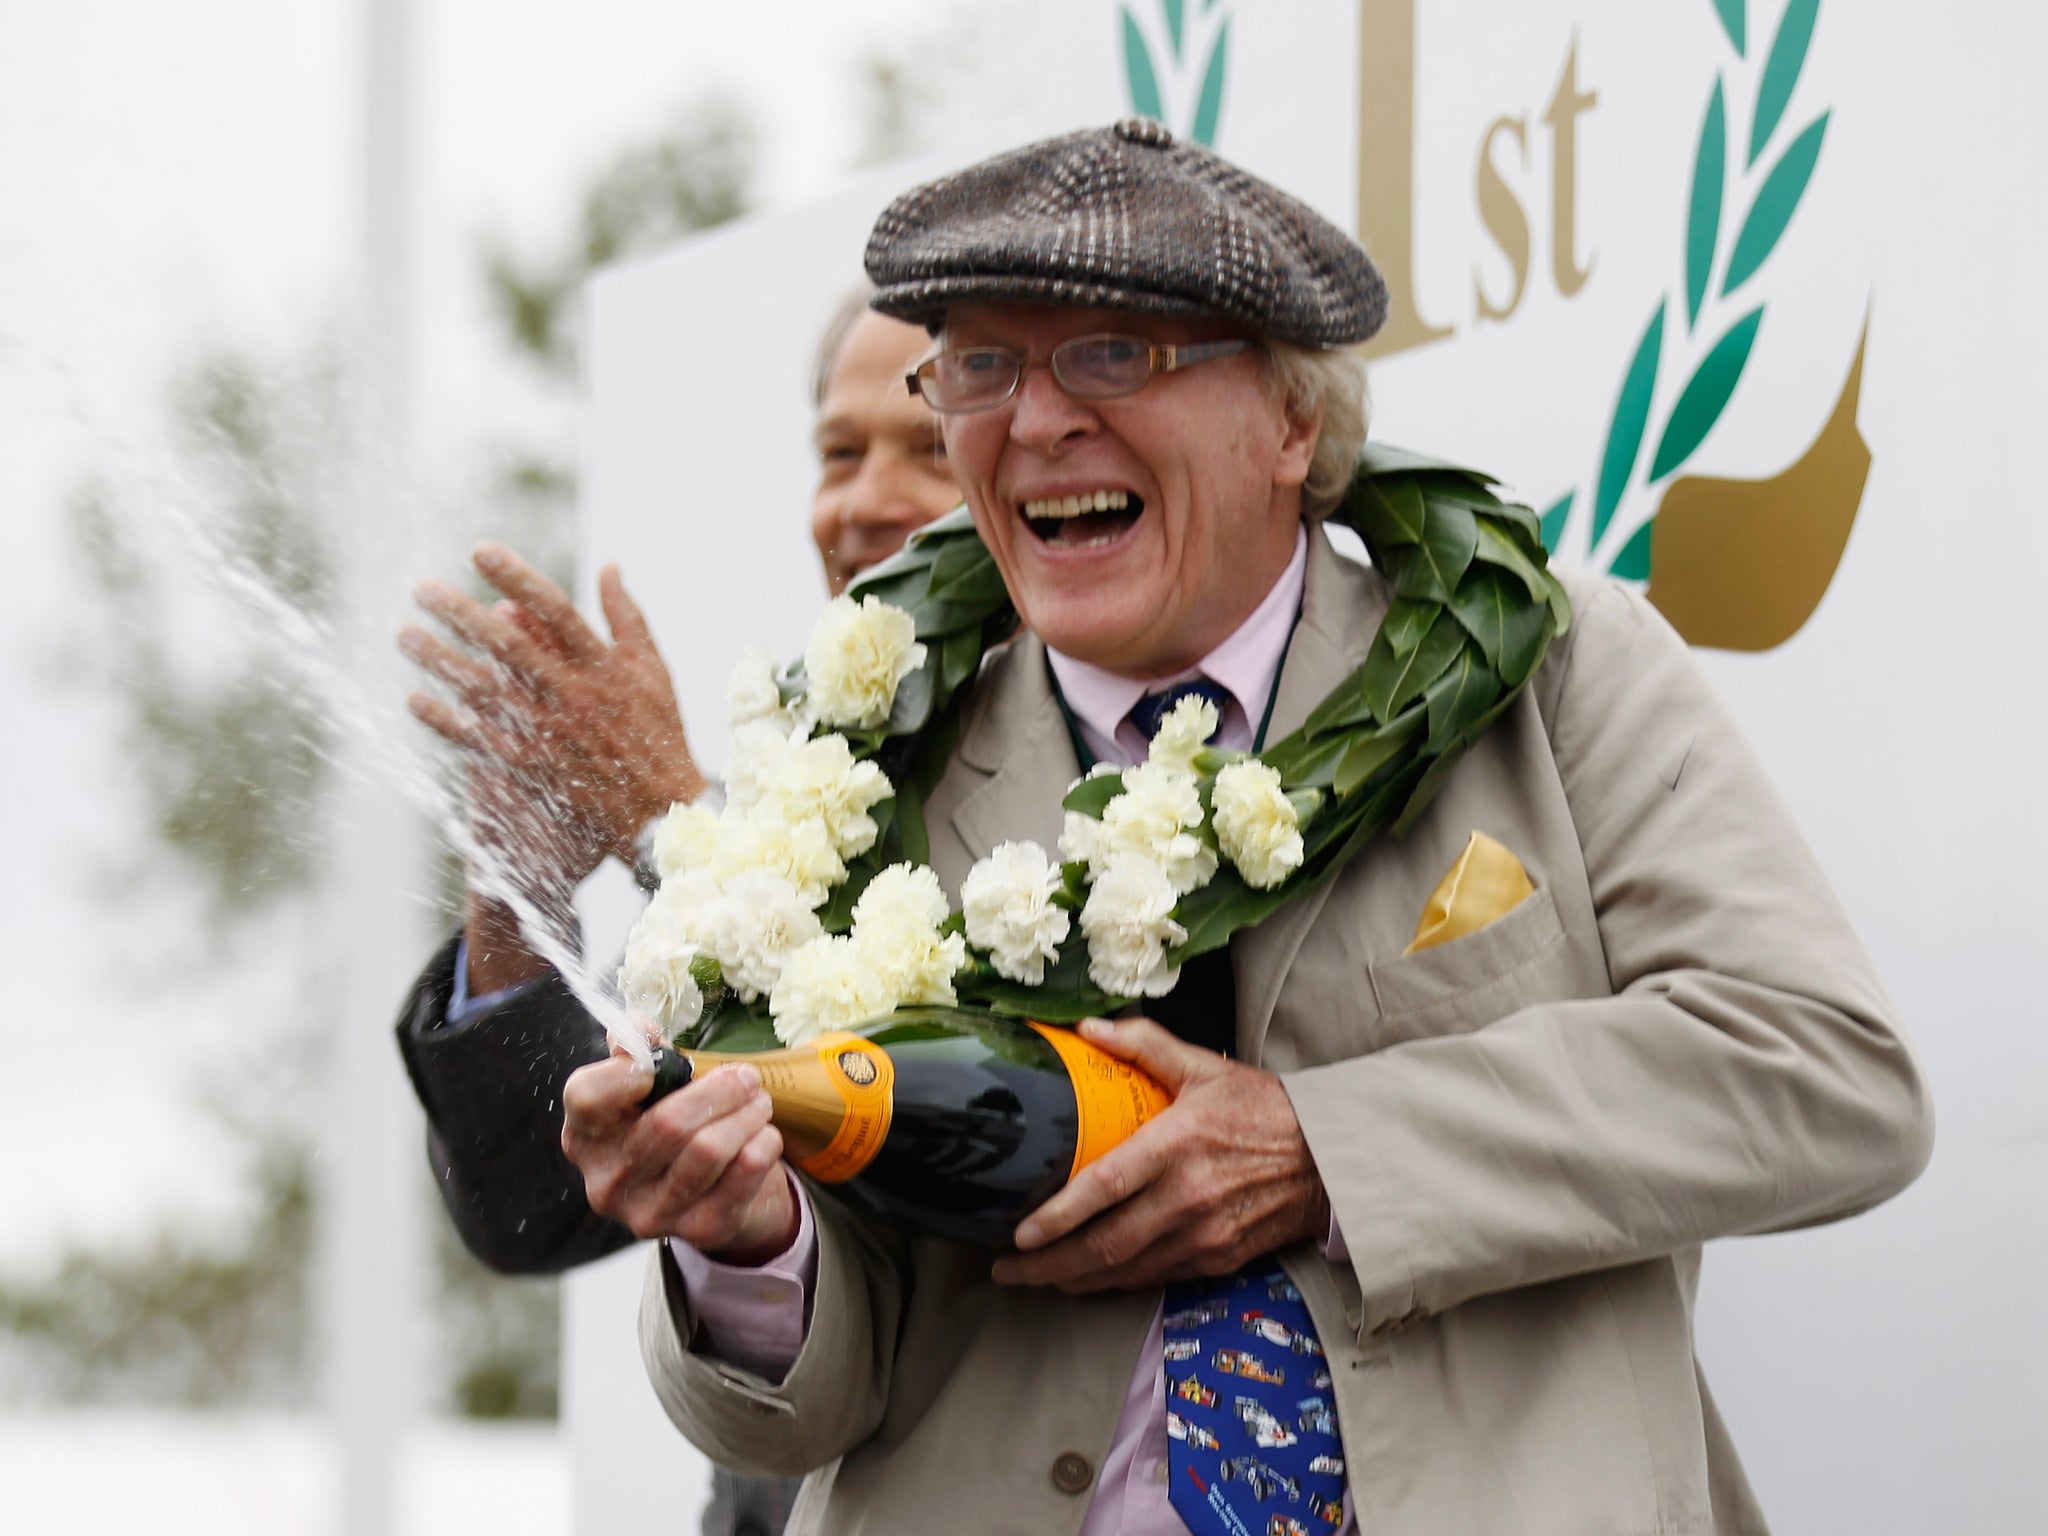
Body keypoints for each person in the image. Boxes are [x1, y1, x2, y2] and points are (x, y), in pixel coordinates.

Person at [556, 121, 1933, 1536]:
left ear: (1292, 421)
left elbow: (1828, 1071)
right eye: (982, 365)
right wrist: (745, 1248)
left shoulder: (1558, 672)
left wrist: (1321, 1151)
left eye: (1114, 354)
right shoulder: (855, 771)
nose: (1036, 421)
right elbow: (790, 1405)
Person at [392, 290, 960, 1536]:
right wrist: (522, 889)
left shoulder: (1117, 797)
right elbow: (528, 1208)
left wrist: (657, 813)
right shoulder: (779, 778)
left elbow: (933, 1082)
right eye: (837, 453)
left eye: (928, 446)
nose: (865, 501)